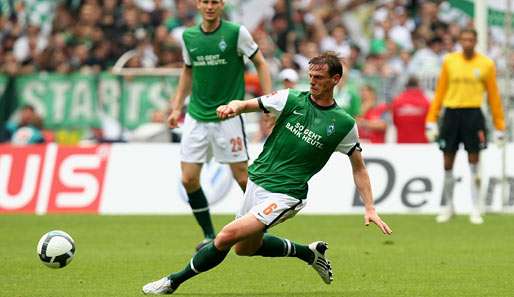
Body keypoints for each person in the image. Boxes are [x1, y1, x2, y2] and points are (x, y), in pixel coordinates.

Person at [142, 52, 392, 295]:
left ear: (335, 79)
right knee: (244, 249)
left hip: (287, 194)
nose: (313, 82)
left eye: (319, 77)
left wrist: (369, 206)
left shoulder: (344, 123)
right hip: (258, 181)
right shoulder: (290, 99)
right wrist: (234, 106)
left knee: (225, 236)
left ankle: (172, 282)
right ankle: (308, 253)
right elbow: (251, 104)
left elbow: (359, 167)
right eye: (311, 76)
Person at [166, 0, 272, 251]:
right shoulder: (189, 36)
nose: (210, 6)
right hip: (196, 117)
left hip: (228, 117)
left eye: (215, 1)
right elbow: (187, 71)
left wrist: (266, 103)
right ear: (198, 5)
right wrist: (176, 106)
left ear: (222, 4)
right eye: (205, 1)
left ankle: (263, 222)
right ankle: (208, 235)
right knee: (189, 179)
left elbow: (261, 63)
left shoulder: (236, 33)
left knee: (244, 177)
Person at [425, 28, 506, 225]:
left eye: (471, 39)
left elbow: (494, 96)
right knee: (447, 162)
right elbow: (440, 91)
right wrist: (431, 119)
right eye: (464, 39)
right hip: (451, 114)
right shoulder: (449, 61)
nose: (468, 42)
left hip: (474, 114)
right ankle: (448, 206)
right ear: (460, 41)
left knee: (474, 162)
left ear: (476, 41)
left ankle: (476, 208)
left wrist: (499, 125)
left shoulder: (486, 64)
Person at [391, 77, 430, 143]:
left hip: (402, 143)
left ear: (406, 86)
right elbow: (429, 123)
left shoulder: (397, 101)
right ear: (418, 86)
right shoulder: (426, 101)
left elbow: (395, 122)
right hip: (421, 144)